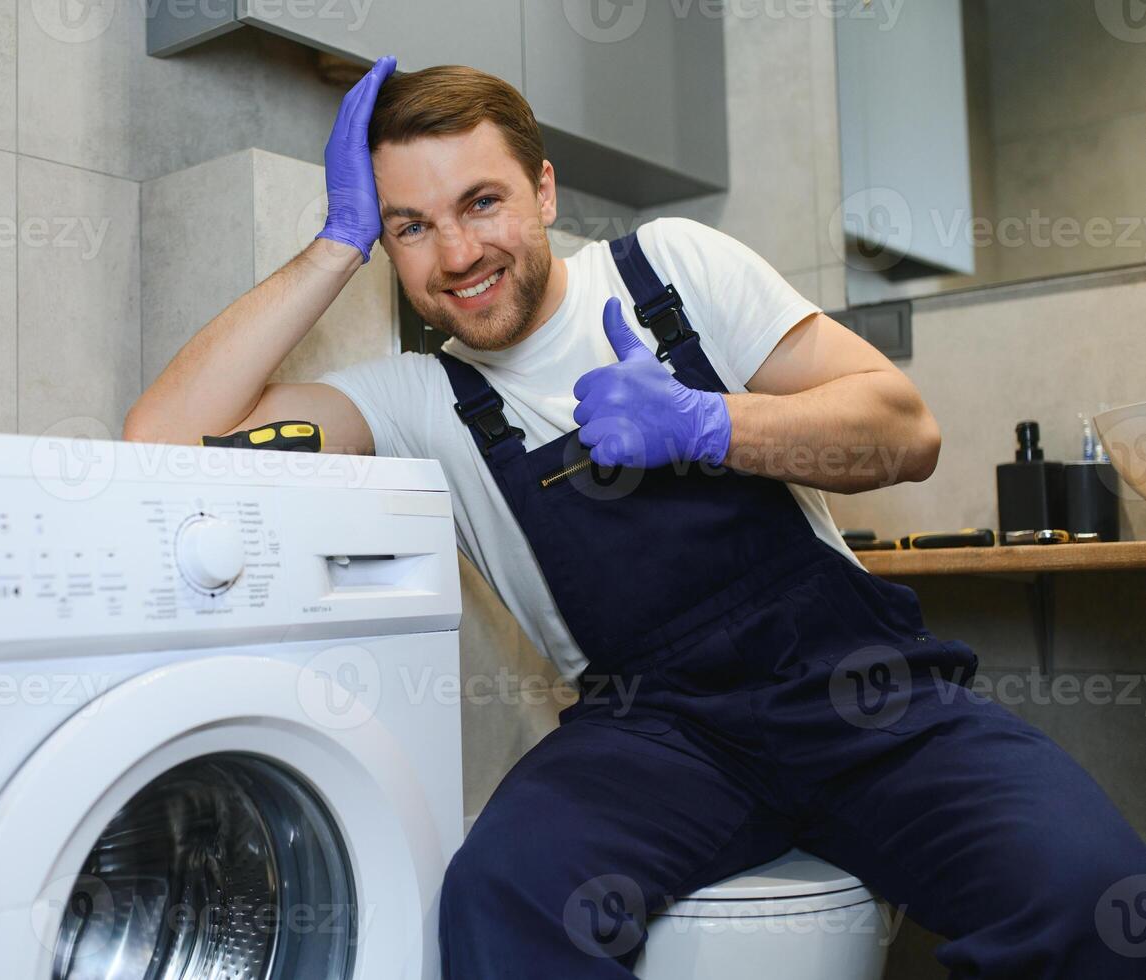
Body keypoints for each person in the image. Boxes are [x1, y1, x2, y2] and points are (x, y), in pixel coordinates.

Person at [125, 56, 1146, 978]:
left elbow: (905, 430)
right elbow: (161, 440)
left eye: (481, 202)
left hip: (862, 698)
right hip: (658, 738)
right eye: (411, 226)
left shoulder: (672, 271)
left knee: (1094, 896)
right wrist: (333, 245)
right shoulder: (416, 403)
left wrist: (709, 424)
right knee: (499, 900)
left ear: (544, 189)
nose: (457, 251)